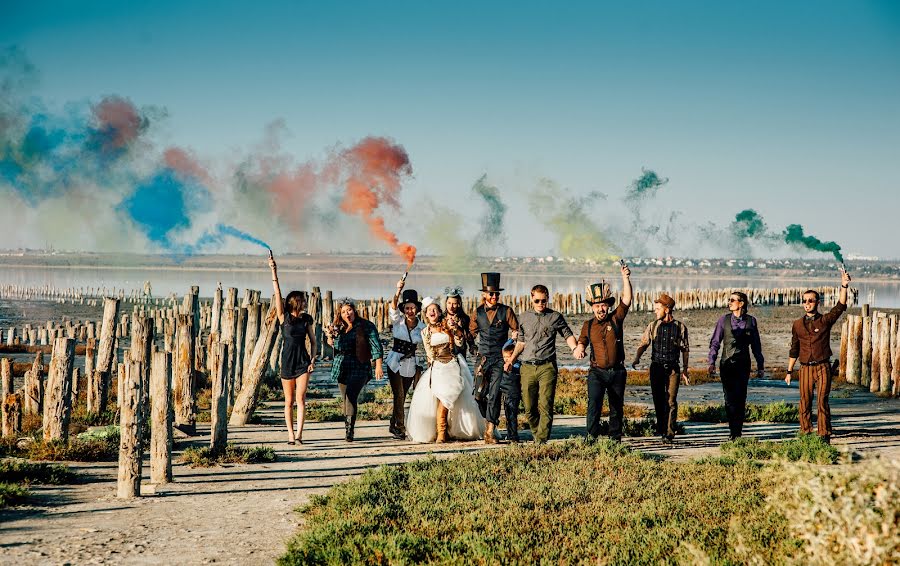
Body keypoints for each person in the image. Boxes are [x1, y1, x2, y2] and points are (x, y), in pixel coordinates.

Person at [785, 269, 852, 443]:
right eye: (804, 301)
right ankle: (806, 434)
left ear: (817, 302)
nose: (807, 303)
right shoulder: (797, 324)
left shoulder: (825, 320)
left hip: (823, 366)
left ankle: (824, 435)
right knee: (804, 402)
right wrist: (789, 371)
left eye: (810, 300)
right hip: (805, 368)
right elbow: (794, 348)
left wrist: (844, 285)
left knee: (822, 400)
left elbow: (840, 306)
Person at [505, 284, 577, 444]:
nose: (540, 304)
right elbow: (521, 342)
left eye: (543, 301)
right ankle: (538, 435)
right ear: (531, 298)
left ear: (548, 299)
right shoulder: (523, 317)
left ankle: (540, 442)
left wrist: (574, 348)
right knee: (529, 409)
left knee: (545, 405)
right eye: (537, 300)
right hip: (527, 367)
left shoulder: (555, 317)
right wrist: (511, 359)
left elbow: (567, 334)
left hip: (547, 367)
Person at [406, 298, 485, 443]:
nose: (432, 312)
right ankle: (442, 431)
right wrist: (431, 366)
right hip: (437, 366)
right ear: (426, 314)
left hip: (452, 364)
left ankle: (445, 431)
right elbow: (429, 352)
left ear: (439, 312)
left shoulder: (447, 324)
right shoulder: (425, 331)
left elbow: (459, 342)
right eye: (429, 310)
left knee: (450, 397)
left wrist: (456, 330)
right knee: (439, 398)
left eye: (435, 309)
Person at [573, 263, 634, 442]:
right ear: (592, 307)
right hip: (596, 373)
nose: (600, 309)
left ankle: (615, 441)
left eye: (603, 305)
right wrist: (579, 349)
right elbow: (582, 342)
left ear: (608, 305)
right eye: (597, 306)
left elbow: (627, 300)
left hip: (617, 372)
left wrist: (625, 278)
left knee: (616, 407)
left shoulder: (616, 318)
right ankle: (591, 438)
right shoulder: (588, 325)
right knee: (594, 405)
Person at [269, 252, 316, 445]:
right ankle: (290, 434)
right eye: (303, 300)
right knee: (288, 401)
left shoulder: (306, 320)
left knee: (301, 399)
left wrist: (312, 360)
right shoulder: (284, 317)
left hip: (303, 363)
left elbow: (313, 342)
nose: (305, 302)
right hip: (287, 362)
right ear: (296, 302)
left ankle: (299, 435)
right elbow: (277, 293)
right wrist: (274, 270)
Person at [632, 293, 689, 444]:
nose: (655, 311)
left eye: (658, 309)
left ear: (667, 309)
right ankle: (662, 429)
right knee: (658, 400)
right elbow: (644, 343)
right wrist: (637, 357)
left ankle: (669, 433)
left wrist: (685, 370)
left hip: (673, 369)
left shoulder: (680, 327)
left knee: (670, 400)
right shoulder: (653, 326)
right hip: (656, 368)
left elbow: (685, 350)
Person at [469, 272, 519, 444]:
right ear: (484, 295)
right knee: (478, 394)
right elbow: (471, 334)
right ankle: (487, 420)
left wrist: (511, 346)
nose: (494, 296)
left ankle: (490, 430)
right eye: (491, 293)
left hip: (499, 358)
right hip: (482, 358)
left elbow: (517, 331)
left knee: (495, 394)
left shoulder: (506, 311)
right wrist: (472, 347)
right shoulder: (477, 313)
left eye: (497, 293)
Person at [707, 291, 764, 440]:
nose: (729, 302)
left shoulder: (751, 321)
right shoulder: (723, 320)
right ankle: (733, 431)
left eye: (732, 300)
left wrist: (760, 365)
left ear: (741, 303)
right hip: (727, 364)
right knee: (729, 399)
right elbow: (715, 342)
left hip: (743, 364)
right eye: (729, 300)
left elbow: (756, 345)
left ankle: (737, 431)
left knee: (741, 398)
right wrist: (711, 362)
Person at [326, 298, 384, 441]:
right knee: (345, 398)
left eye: (349, 310)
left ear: (354, 310)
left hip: (360, 365)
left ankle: (350, 432)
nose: (347, 314)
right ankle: (348, 427)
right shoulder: (337, 327)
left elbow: (376, 346)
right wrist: (329, 340)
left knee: (351, 395)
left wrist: (378, 365)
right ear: (340, 313)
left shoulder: (366, 326)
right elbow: (335, 346)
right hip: (342, 365)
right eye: (344, 311)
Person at [385, 279, 425, 440]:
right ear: (404, 309)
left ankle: (393, 424)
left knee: (404, 395)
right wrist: (398, 290)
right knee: (399, 395)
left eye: (412, 308)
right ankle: (400, 428)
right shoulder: (397, 321)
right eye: (407, 308)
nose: (409, 311)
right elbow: (393, 307)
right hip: (394, 362)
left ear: (416, 309)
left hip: (411, 365)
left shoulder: (422, 327)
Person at [444, 286, 475, 358]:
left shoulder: (465, 318)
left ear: (459, 304)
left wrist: (472, 346)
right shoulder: (441, 317)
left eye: (454, 304)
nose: (451, 306)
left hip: (460, 352)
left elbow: (469, 335)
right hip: (444, 354)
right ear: (446, 303)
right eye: (449, 303)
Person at [500, 339, 522, 443]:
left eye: (508, 357)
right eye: (504, 357)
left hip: (514, 393)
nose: (505, 359)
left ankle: (513, 436)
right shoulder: (505, 364)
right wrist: (512, 339)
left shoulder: (517, 366)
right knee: (508, 413)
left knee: (512, 414)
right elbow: (504, 347)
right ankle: (510, 434)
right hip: (505, 392)